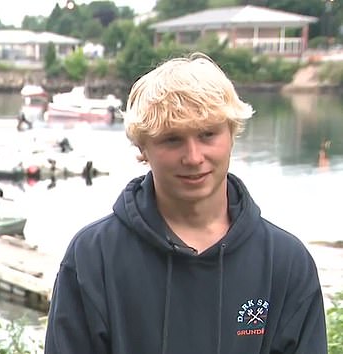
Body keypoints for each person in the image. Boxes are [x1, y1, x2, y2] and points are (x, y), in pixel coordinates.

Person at [44, 52, 327, 354]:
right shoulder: (92, 257)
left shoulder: (286, 262)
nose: (193, 157)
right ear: (142, 147)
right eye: (172, 139)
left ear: (232, 134)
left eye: (207, 134)